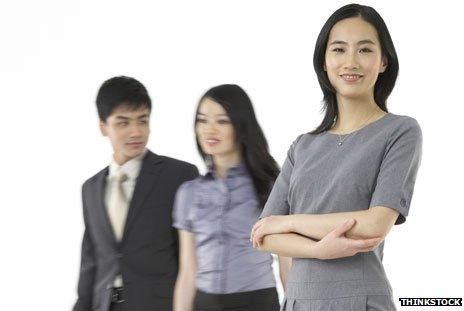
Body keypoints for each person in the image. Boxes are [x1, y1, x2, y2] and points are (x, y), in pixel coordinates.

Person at [251, 4, 422, 311]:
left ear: (384, 61)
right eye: (339, 49)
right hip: (298, 302)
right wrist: (319, 250)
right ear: (325, 62)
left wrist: (286, 222)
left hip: (359, 300)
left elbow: (373, 225)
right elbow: (264, 237)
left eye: (365, 50)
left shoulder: (399, 131)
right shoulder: (302, 146)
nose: (351, 62)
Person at [72, 76, 199, 311]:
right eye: (123, 123)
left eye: (142, 120)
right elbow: (90, 263)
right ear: (103, 127)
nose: (136, 132)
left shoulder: (179, 176)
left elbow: (195, 257)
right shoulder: (90, 188)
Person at [172, 84, 285, 311]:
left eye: (222, 121)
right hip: (205, 304)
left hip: (256, 303)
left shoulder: (271, 186)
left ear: (241, 126)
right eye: (202, 120)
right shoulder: (188, 193)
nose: (209, 129)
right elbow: (187, 272)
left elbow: (288, 263)